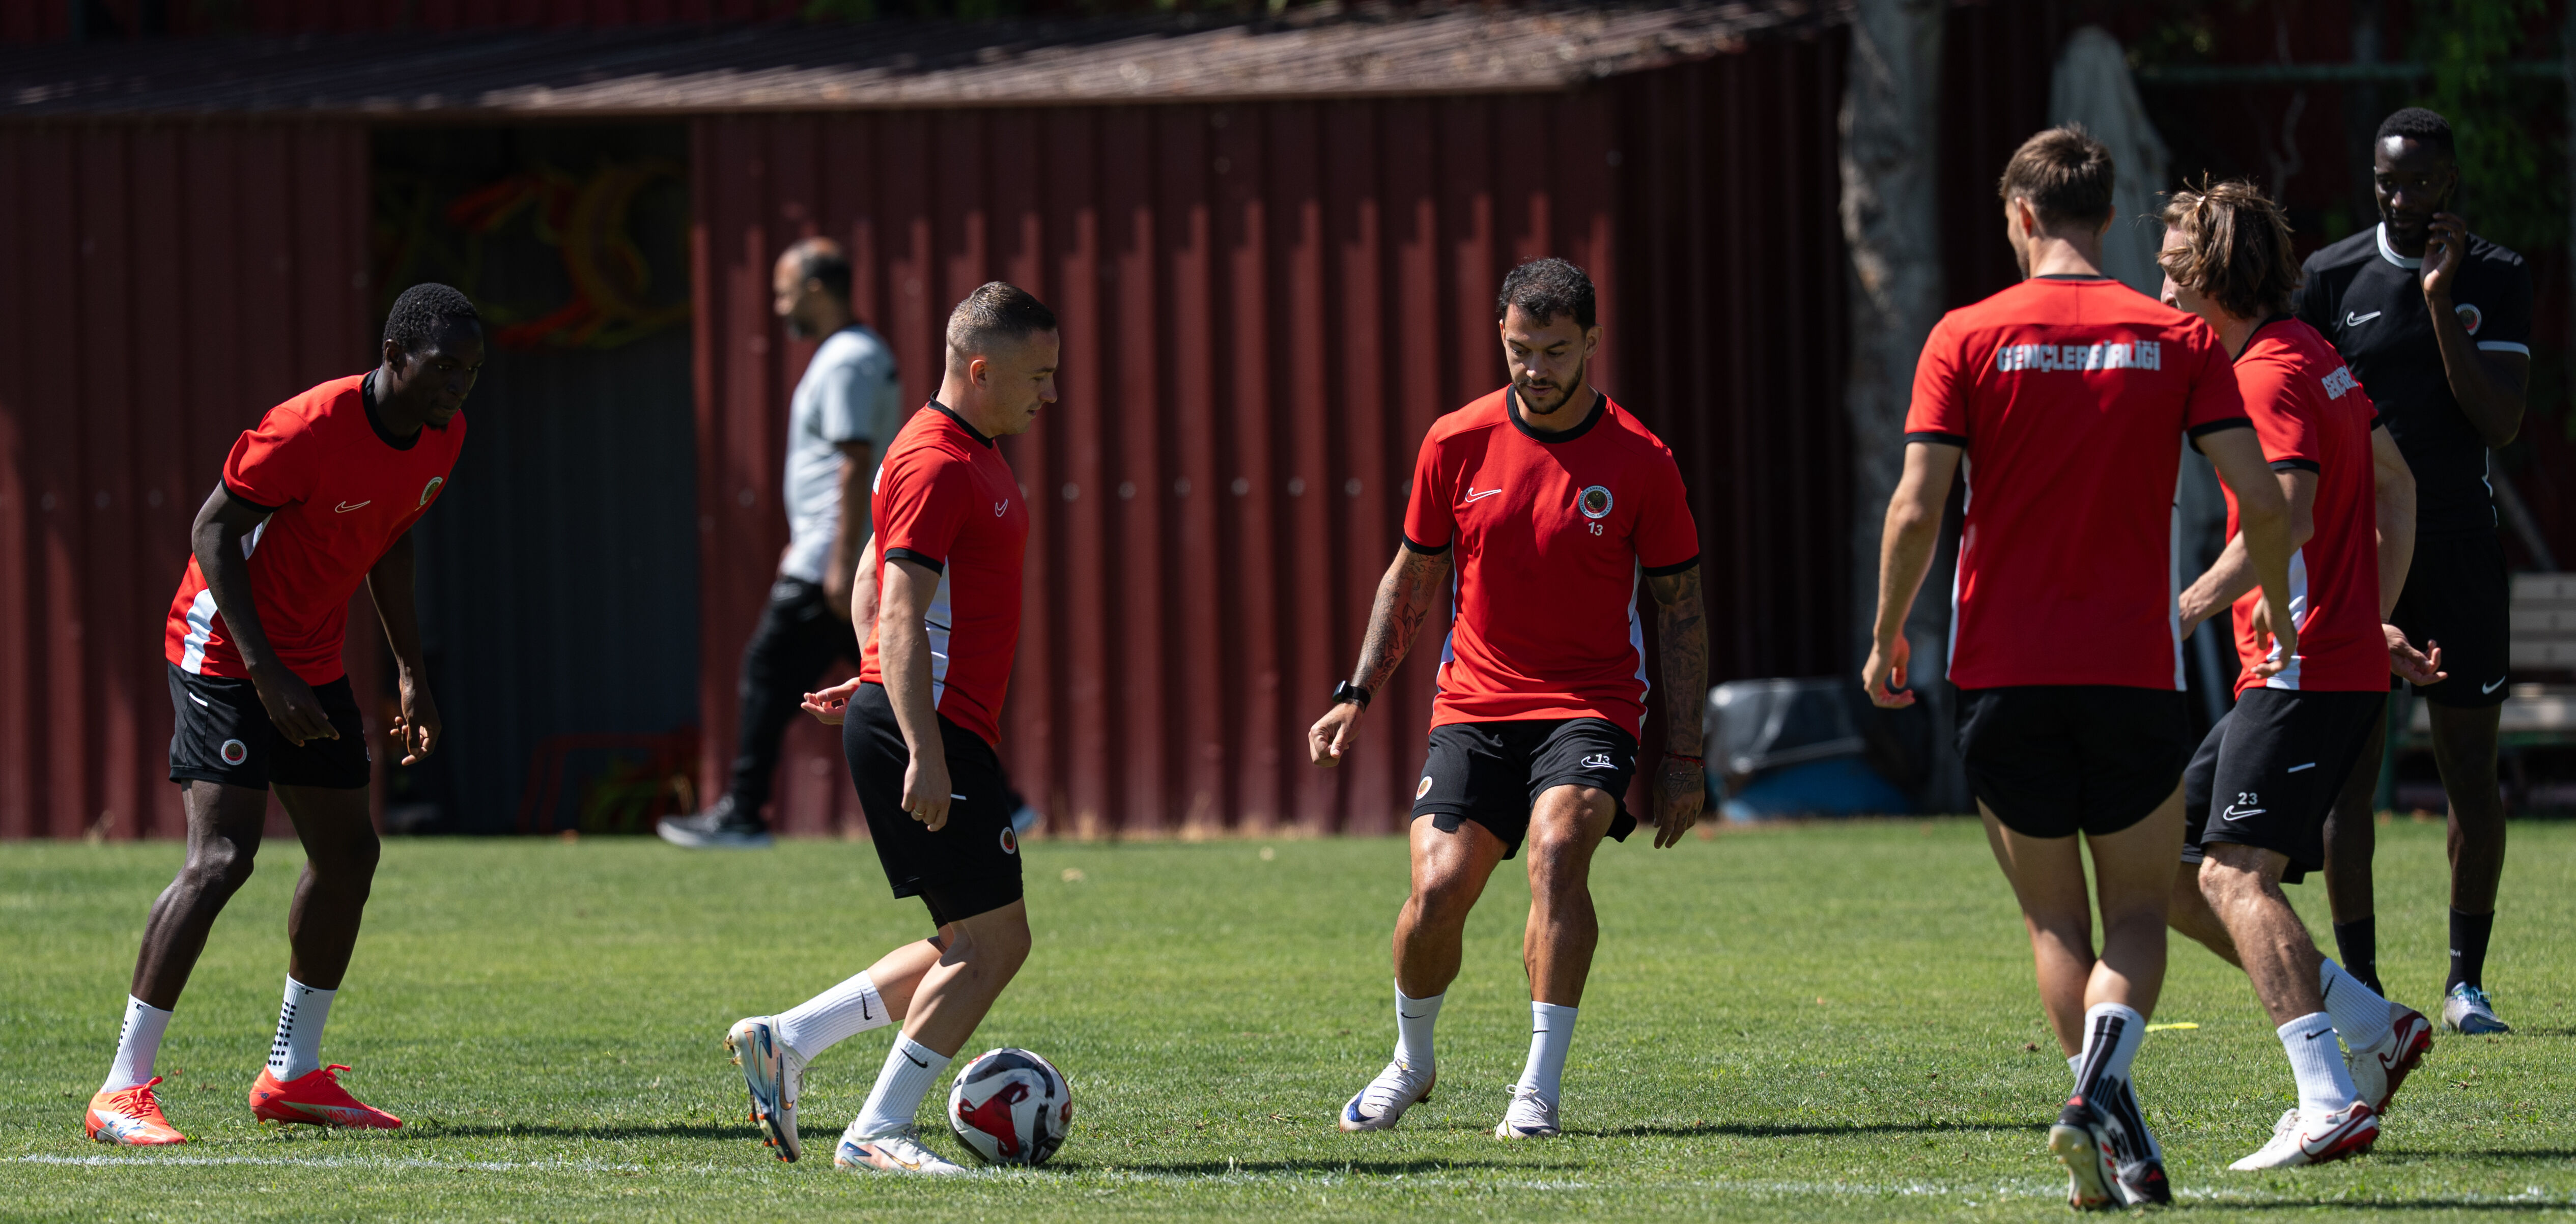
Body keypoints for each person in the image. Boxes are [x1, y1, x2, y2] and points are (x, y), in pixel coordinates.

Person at [1864, 127, 2300, 1210]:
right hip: (2129, 670)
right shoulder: (2175, 338)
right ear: (2106, 220)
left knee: (2054, 924)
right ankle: (2104, 1109)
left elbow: (1917, 506)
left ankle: (2106, 1135)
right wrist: (2268, 602)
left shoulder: (1962, 334)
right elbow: (2270, 503)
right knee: (2140, 915)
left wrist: (1884, 634)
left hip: (2000, 670)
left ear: (2019, 216)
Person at [1309, 258, 1709, 1141]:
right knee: (1437, 891)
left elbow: (1680, 611)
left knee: (1560, 851)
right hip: (1475, 705)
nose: (1536, 369)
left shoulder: (1642, 461)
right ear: (1501, 337)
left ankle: (1537, 1087)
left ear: (1594, 343)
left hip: (1592, 702)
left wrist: (1686, 756)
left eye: (1557, 351)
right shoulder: (1454, 441)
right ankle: (1413, 1062)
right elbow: (1412, 578)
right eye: (1521, 350)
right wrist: (1356, 692)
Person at [83, 284, 482, 1146]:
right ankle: (122, 1088)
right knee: (223, 857)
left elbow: (393, 533)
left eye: (470, 372)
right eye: (442, 365)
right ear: (393, 355)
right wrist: (263, 673)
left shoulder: (444, 435)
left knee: (349, 854)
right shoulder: (307, 426)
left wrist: (412, 670)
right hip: (224, 653)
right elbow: (213, 532)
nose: (456, 385)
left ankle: (291, 1075)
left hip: (309, 661)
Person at [717, 282, 1056, 1175]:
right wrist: (916, 737)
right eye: (1037, 375)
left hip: (923, 716)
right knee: (996, 945)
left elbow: (875, 573)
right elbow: (898, 602)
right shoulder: (936, 458)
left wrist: (870, 676)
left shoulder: (961, 450)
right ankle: (876, 1132)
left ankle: (786, 1041)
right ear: (980, 369)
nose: (1048, 394)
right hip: (932, 729)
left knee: (962, 942)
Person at [2154, 180, 2445, 1171]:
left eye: (2166, 266)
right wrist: (2366, 621)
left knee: (2234, 874)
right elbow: (2397, 491)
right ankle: (2372, 1022)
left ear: (2204, 276)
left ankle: (2326, 1098)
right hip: (2320, 664)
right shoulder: (2316, 356)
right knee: (2169, 858)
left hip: (2294, 673)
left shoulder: (2267, 374)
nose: (2156, 282)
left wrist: (2180, 606)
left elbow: (2288, 516)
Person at [2295, 107, 2533, 1035]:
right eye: (2387, 181)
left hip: (2462, 554)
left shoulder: (2497, 277)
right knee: (2351, 779)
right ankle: (2360, 985)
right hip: (2363, 559)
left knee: (2469, 772)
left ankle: (2465, 983)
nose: (2400, 199)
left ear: (2450, 184)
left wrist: (2439, 301)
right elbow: (2307, 420)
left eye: (2420, 184)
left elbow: (2502, 419)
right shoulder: (2330, 278)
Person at [660, 238, 903, 849]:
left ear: (817, 289)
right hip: (832, 551)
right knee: (891, 676)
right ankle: (999, 796)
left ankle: (743, 812)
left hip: (832, 555)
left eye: (785, 289)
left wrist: (838, 559)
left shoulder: (846, 358)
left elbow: (852, 461)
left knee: (768, 669)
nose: (778, 303)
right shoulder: (858, 352)